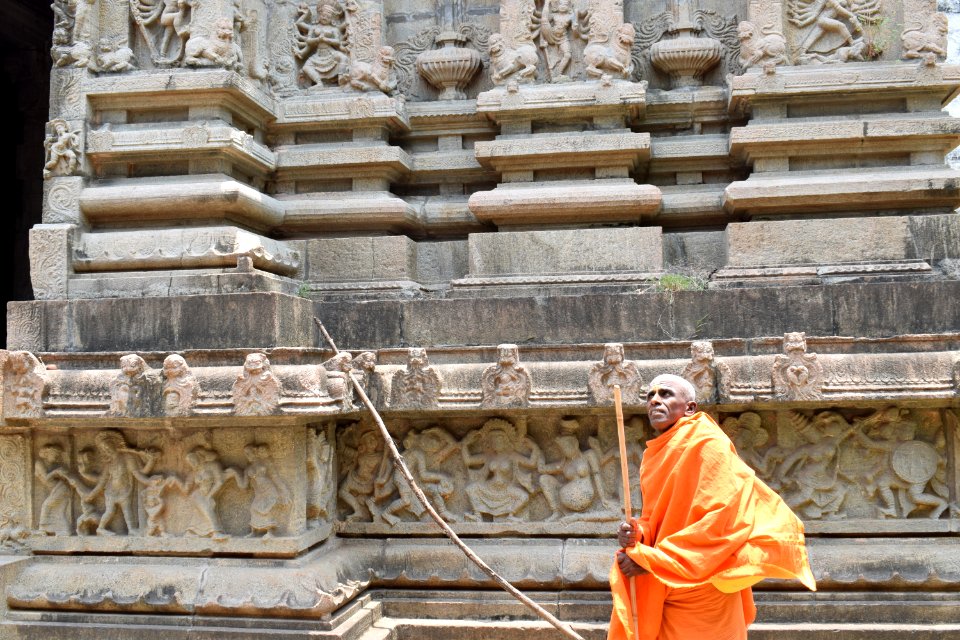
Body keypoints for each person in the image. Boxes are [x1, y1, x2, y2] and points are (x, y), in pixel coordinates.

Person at [608, 374, 816, 640]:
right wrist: (638, 534)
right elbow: (659, 519)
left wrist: (651, 561)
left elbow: (723, 521)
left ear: (690, 408)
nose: (655, 400)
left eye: (665, 394)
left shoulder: (708, 445)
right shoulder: (653, 455)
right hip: (667, 580)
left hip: (705, 581)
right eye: (650, 396)